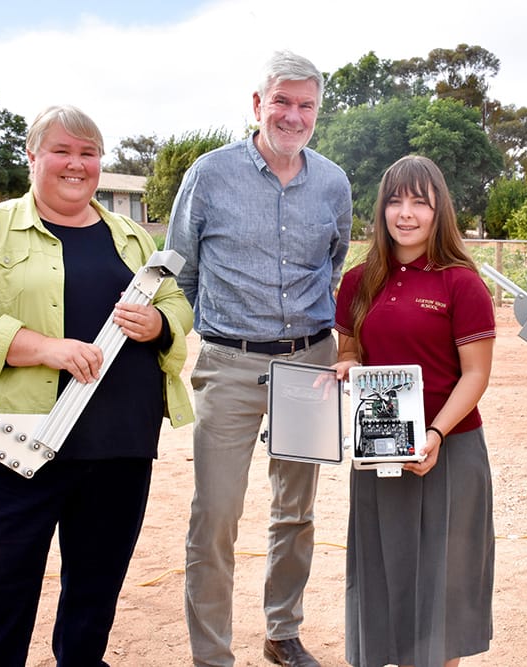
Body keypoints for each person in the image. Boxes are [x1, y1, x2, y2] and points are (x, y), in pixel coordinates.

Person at [0, 104, 194, 666]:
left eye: (89, 153)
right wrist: (46, 348)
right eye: (63, 151)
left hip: (119, 443)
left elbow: (174, 302)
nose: (76, 165)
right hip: (18, 441)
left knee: (94, 593)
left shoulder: (130, 236)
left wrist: (161, 323)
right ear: (32, 156)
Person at [166, 50, 352, 667]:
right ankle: (212, 654)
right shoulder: (210, 174)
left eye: (306, 105)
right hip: (230, 363)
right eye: (282, 101)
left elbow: (333, 263)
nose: (293, 116)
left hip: (309, 363)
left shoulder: (332, 181)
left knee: (295, 511)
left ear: (317, 112)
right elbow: (181, 271)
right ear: (257, 104)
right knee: (215, 515)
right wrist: (214, 334)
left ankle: (282, 631)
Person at [332, 155, 496, 667]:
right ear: (380, 209)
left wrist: (436, 432)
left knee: (440, 587)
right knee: (382, 575)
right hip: (379, 452)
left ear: (438, 210)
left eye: (419, 202)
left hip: (448, 450)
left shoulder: (461, 283)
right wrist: (349, 364)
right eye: (396, 201)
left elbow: (475, 374)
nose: (406, 213)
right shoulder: (358, 281)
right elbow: (349, 350)